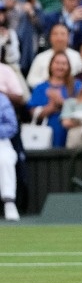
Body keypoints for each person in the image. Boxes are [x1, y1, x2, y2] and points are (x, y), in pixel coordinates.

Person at [27, 51, 81, 147]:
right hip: (46, 133)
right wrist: (51, 107)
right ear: (51, 65)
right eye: (57, 63)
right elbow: (33, 112)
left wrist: (62, 102)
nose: (60, 67)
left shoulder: (77, 85)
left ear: (69, 67)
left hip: (72, 133)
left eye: (64, 64)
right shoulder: (41, 87)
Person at [4, 0, 43, 76]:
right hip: (11, 45)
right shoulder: (6, 3)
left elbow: (41, 27)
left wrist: (31, 13)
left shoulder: (36, 4)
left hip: (31, 46)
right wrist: (5, 8)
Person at [27, 22, 82, 89]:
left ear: (68, 37)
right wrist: (49, 83)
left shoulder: (77, 56)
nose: (59, 38)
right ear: (50, 37)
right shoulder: (40, 57)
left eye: (63, 34)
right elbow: (30, 80)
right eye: (55, 34)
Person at [0, 89, 18, 220]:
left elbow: (12, 125)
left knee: (5, 158)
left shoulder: (2, 99)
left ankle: (9, 202)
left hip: (1, 141)